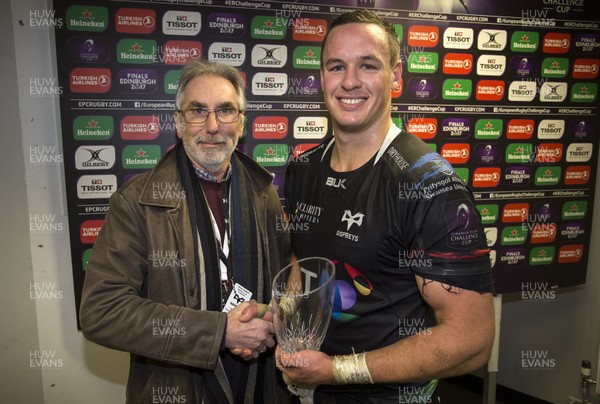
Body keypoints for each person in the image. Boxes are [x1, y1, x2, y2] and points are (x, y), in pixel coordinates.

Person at [279, 9, 495, 403]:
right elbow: (301, 269)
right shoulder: (302, 169)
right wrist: (278, 322)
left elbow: (471, 340)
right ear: (322, 78)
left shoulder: (429, 184)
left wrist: (335, 371)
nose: (350, 82)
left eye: (368, 65)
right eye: (336, 66)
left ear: (396, 76)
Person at [79, 60, 291, 404]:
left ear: (241, 123)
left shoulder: (262, 193)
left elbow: (283, 283)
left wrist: (266, 319)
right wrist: (219, 333)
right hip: (178, 389)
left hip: (259, 385)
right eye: (197, 111)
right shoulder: (137, 202)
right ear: (179, 123)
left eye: (225, 111)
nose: (212, 126)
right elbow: (101, 311)